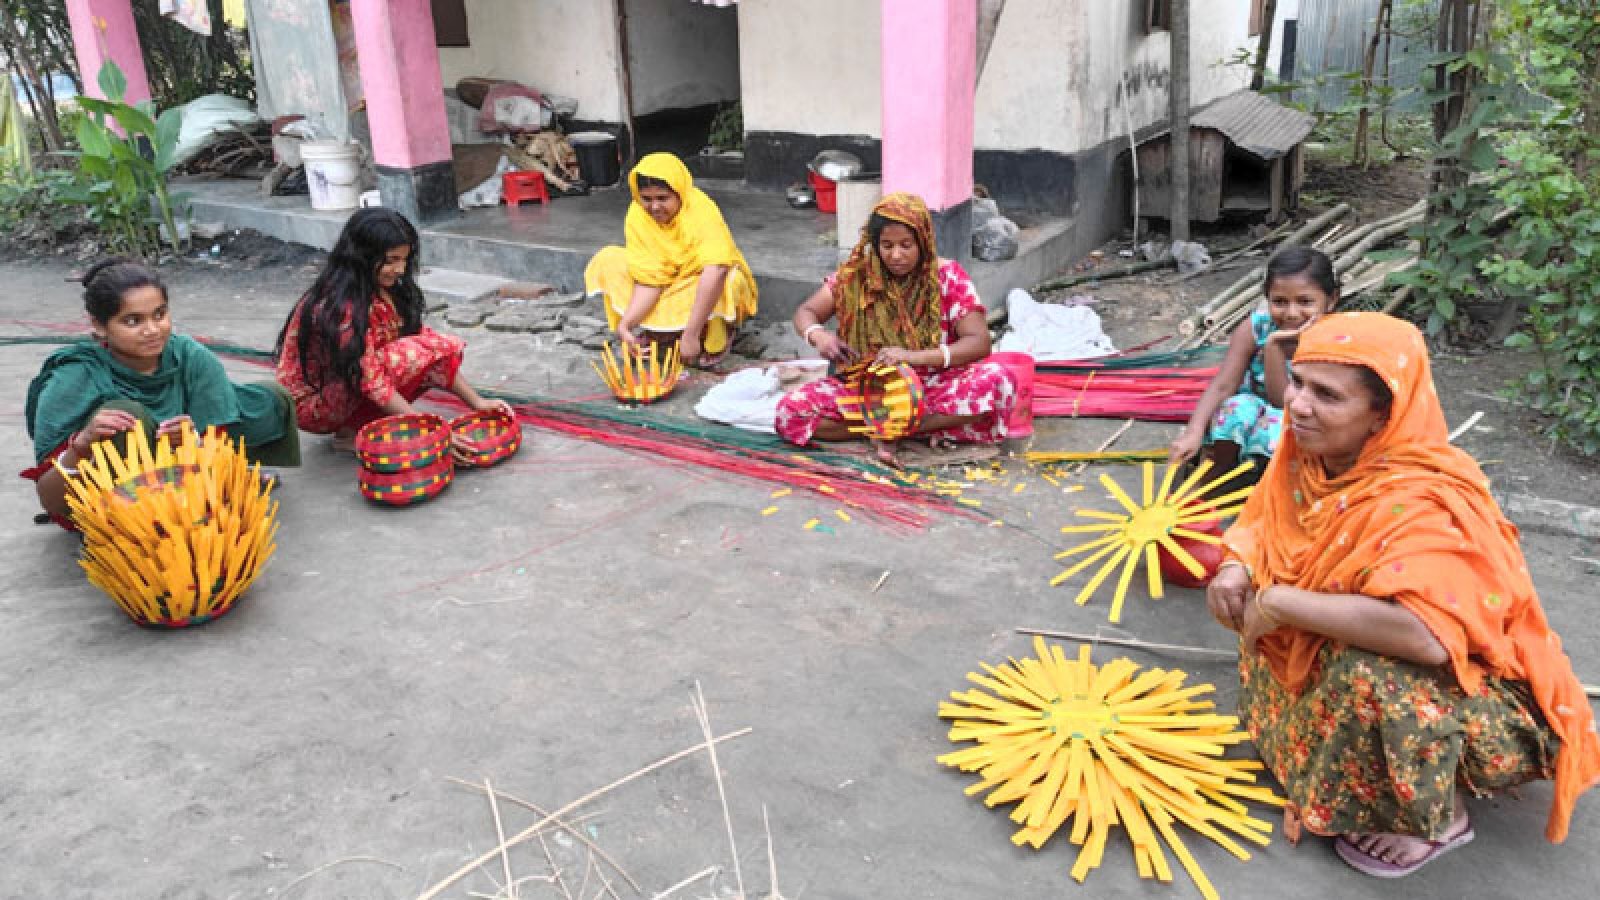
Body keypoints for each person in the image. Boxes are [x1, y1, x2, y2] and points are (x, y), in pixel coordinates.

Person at [1207, 312, 1599, 877]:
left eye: (1327, 395)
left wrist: (1282, 603)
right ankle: (1340, 762)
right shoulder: (1309, 456)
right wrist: (1237, 568)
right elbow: (1267, 524)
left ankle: (1437, 814)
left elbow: (1428, 638)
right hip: (1363, 647)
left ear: (1381, 415)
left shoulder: (1421, 498)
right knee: (1287, 617)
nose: (1297, 404)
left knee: (1376, 675)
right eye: (1298, 381)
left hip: (1471, 692)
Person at [23, 259, 301, 528]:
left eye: (160, 314)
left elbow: (217, 430)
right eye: (133, 321)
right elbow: (50, 498)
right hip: (115, 487)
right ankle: (123, 514)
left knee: (270, 398)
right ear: (99, 326)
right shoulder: (73, 376)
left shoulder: (190, 356)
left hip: (188, 471)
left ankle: (229, 477)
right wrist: (80, 446)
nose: (152, 330)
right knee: (125, 417)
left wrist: (193, 442)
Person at [775, 193, 1017, 466]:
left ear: (923, 242)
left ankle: (898, 429)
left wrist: (913, 357)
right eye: (886, 246)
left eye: (906, 245)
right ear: (875, 245)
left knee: (997, 381)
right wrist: (817, 335)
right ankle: (902, 428)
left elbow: (979, 342)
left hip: (932, 386)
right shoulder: (855, 278)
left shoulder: (948, 277)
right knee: (790, 413)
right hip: (869, 393)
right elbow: (806, 313)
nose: (896, 255)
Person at [275, 208, 508, 454]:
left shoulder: (385, 288)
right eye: (391, 260)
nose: (400, 269)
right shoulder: (340, 306)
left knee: (434, 348)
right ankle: (350, 431)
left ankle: (359, 425)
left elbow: (430, 349)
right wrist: (433, 433)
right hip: (315, 404)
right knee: (414, 353)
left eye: (404, 259)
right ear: (363, 256)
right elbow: (370, 380)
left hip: (348, 386)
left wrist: (477, 402)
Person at [1169, 247, 1340, 470]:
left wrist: (1274, 347)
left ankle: (1268, 486)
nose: (1291, 313)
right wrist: (1193, 431)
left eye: (1305, 302)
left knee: (1278, 426)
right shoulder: (1256, 328)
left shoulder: (1336, 339)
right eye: (1279, 302)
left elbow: (1284, 403)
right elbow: (1223, 385)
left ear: (1332, 299)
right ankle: (1214, 479)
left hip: (1303, 419)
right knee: (1235, 409)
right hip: (1253, 412)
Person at [583, 152, 758, 368]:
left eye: (662, 199)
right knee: (609, 259)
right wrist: (626, 326)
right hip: (666, 283)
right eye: (647, 199)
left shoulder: (701, 210)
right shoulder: (638, 214)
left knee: (729, 278)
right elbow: (649, 279)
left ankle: (714, 332)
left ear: (679, 193)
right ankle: (662, 330)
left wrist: (691, 335)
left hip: (699, 280)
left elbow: (716, 270)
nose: (654, 207)